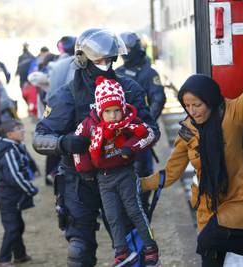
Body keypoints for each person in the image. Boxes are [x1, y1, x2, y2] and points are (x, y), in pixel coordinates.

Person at [33, 28, 160, 267]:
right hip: (79, 181)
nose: (106, 65)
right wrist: (64, 143)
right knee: (78, 251)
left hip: (120, 177)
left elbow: (152, 129)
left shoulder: (129, 89)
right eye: (99, 60)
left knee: (133, 249)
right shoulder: (66, 95)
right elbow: (39, 138)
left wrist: (130, 145)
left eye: (110, 59)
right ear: (83, 59)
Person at [141, 75, 243, 267]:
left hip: (240, 200)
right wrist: (138, 185)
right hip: (208, 206)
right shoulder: (188, 131)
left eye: (197, 105)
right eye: (187, 106)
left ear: (209, 99)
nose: (192, 111)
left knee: (206, 241)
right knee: (209, 258)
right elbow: (171, 172)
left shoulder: (232, 112)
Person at [73, 76, 159, 266]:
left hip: (125, 173)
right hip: (103, 178)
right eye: (108, 111)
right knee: (112, 216)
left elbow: (149, 133)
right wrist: (84, 169)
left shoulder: (129, 121)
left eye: (117, 110)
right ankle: (121, 251)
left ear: (123, 108)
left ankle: (150, 246)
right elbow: (77, 147)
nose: (113, 116)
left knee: (134, 211)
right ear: (99, 109)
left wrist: (131, 147)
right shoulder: (89, 125)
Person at [116, 32, 166, 216]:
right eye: (123, 50)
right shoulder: (118, 73)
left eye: (129, 50)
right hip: (118, 135)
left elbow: (158, 99)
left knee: (143, 172)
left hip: (141, 135)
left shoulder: (149, 73)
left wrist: (144, 125)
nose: (126, 54)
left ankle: (143, 209)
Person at [0, 119, 38, 267]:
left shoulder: (14, 146)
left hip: (13, 195)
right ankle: (3, 259)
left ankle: (20, 255)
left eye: (23, 128)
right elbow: (14, 176)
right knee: (12, 228)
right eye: (19, 129)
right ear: (10, 134)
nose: (23, 131)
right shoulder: (9, 151)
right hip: (8, 196)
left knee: (18, 225)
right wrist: (30, 189)